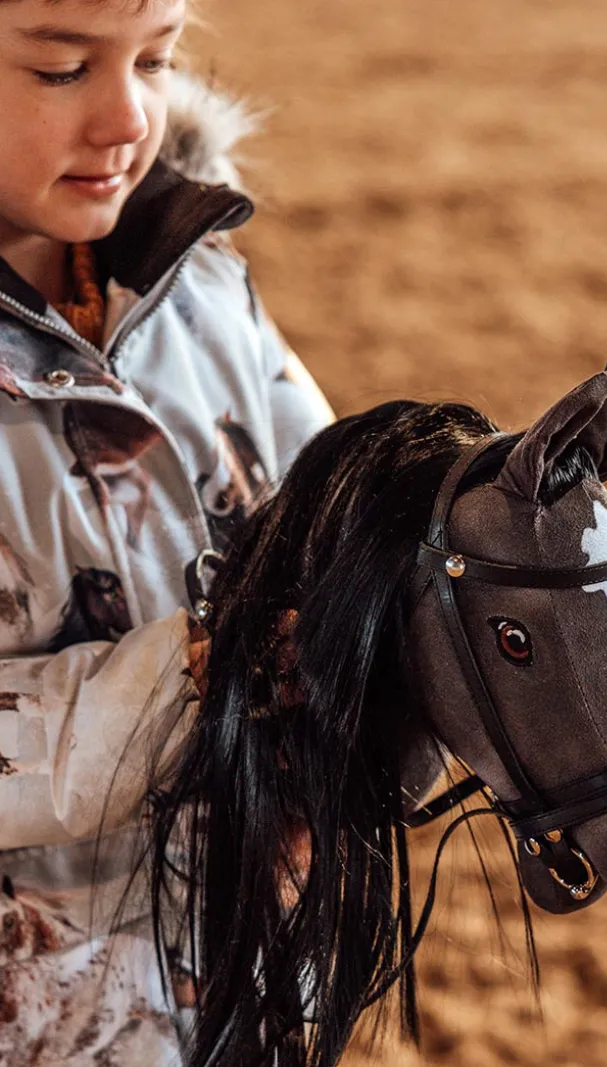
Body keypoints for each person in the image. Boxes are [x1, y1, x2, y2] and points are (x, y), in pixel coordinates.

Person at [0, 0, 334, 1061]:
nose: (127, 120)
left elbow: (322, 521)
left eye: (156, 59)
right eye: (61, 69)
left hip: (249, 992)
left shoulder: (199, 282)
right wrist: (185, 688)